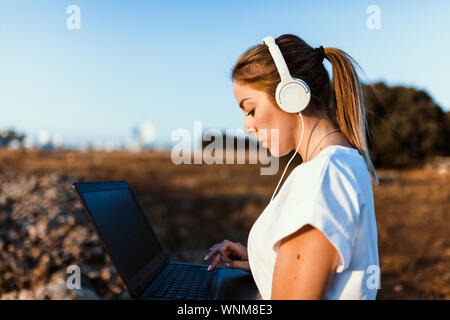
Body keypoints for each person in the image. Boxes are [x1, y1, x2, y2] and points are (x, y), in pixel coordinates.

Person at [203, 34, 380, 300]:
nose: (246, 128)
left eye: (250, 110)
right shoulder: (344, 163)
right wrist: (265, 262)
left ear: (292, 95)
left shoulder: (323, 178)